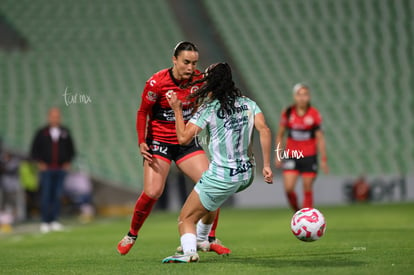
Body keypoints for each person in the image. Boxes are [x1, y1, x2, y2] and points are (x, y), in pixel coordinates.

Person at [117, 42, 228, 256]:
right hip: (160, 143)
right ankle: (131, 234)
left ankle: (208, 239)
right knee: (152, 192)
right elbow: (142, 113)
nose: (190, 67)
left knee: (214, 186)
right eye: (186, 62)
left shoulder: (198, 80)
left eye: (194, 63)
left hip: (185, 143)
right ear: (174, 60)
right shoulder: (156, 83)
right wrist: (142, 141)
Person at [162, 62, 273, 263]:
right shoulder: (248, 103)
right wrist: (266, 166)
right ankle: (203, 239)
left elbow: (184, 138)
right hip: (247, 175)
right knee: (211, 201)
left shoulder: (210, 108)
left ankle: (188, 253)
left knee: (185, 219)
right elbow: (264, 129)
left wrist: (177, 109)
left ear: (211, 83)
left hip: (222, 176)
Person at [274, 84, 328, 212]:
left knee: (307, 187)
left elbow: (320, 138)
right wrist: (277, 155)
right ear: (295, 96)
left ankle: (307, 217)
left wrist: (323, 159)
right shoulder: (288, 113)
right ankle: (298, 213)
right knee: (288, 189)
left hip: (309, 156)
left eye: (305, 95)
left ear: (309, 97)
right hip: (292, 155)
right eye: (299, 94)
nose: (302, 98)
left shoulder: (314, 114)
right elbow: (280, 136)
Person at [30, 107, 76, 233]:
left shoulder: (65, 132)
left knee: (57, 195)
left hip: (60, 170)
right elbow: (34, 150)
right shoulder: (41, 132)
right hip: (46, 170)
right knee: (46, 196)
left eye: (57, 116)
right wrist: (40, 163)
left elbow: (71, 150)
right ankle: (45, 221)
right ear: (49, 117)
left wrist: (67, 162)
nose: (55, 118)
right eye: (53, 116)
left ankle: (54, 220)